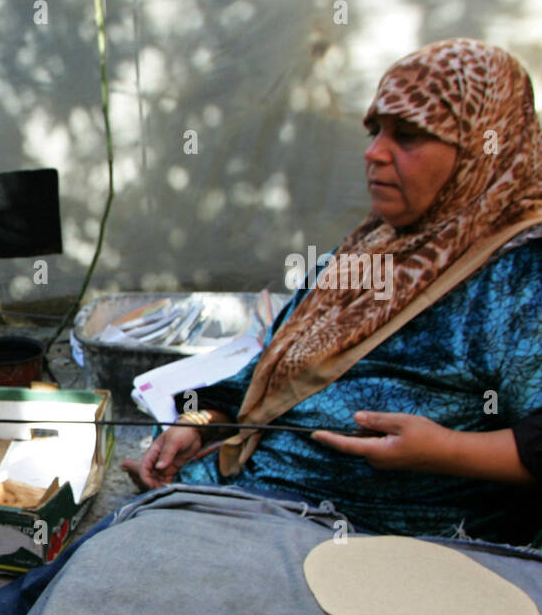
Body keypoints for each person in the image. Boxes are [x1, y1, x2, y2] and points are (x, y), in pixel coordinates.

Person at [125, 38, 542, 545]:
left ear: (484, 146)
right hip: (259, 499)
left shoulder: (521, 274)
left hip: (392, 543)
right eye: (374, 130)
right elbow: (266, 376)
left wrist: (443, 451)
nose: (374, 153)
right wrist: (198, 422)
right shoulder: (370, 248)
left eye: (407, 136)